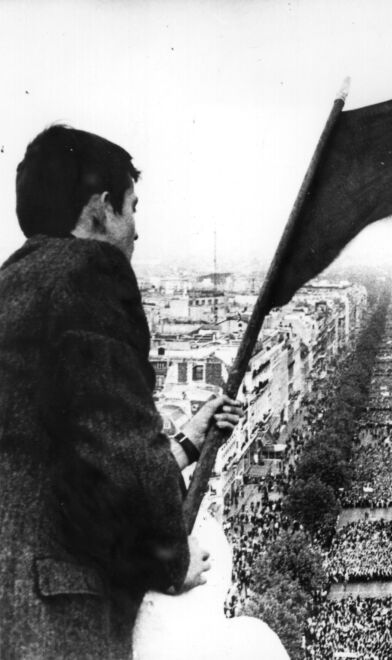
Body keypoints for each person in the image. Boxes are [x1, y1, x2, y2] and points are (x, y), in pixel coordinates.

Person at [0, 125, 243, 659]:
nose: (137, 231)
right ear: (102, 207)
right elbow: (117, 457)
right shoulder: (92, 269)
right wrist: (171, 560)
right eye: (133, 208)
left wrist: (186, 443)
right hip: (58, 618)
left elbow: (60, 458)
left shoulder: (12, 284)